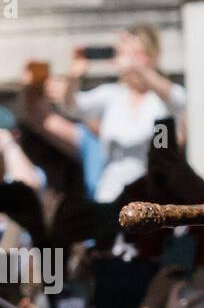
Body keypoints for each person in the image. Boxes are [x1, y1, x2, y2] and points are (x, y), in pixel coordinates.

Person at [50, 25, 187, 203]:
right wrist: (74, 75)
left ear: (154, 56)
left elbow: (179, 100)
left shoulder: (160, 100)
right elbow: (72, 106)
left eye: (139, 54)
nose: (131, 60)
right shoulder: (112, 96)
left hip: (154, 197)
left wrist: (138, 68)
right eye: (127, 54)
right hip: (111, 197)